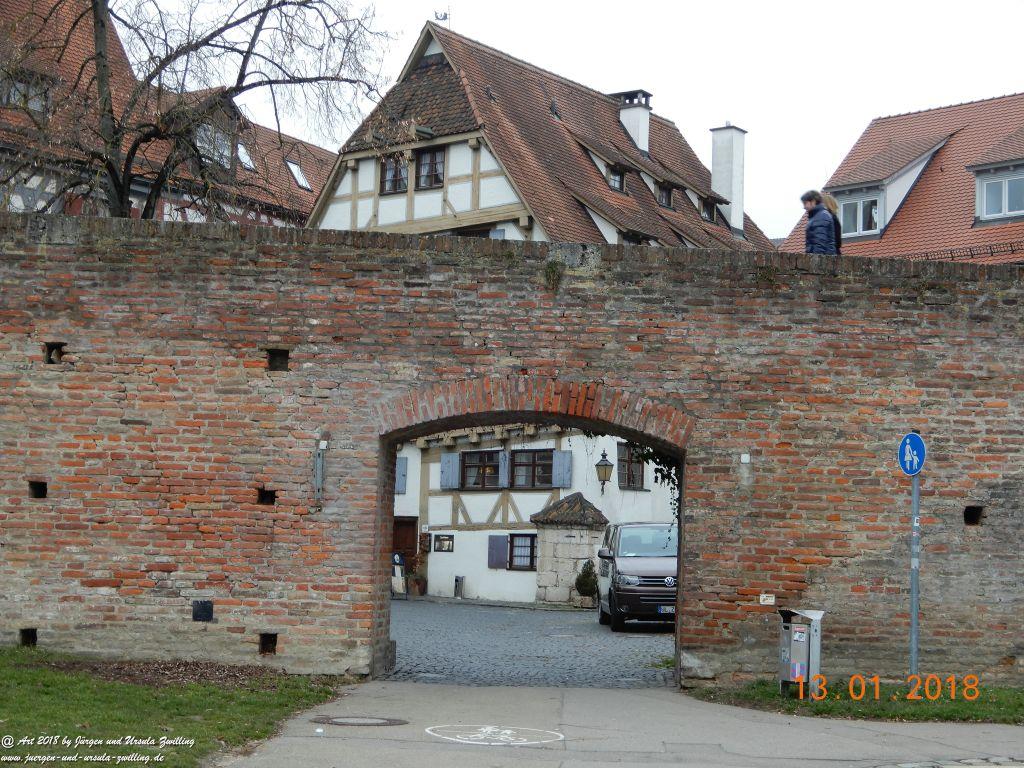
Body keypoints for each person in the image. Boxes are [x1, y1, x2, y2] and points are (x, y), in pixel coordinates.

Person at [801, 190, 837, 255]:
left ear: (813, 201)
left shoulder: (821, 216)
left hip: (822, 260)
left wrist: (815, 262)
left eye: (805, 203)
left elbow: (820, 243)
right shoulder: (817, 216)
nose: (804, 207)